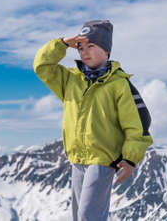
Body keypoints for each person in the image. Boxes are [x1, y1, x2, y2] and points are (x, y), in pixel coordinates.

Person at [33, 20, 153, 221]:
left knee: (89, 216)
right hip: (77, 159)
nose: (84, 52)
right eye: (80, 48)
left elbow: (138, 123)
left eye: (91, 46)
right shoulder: (71, 80)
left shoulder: (119, 84)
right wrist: (62, 44)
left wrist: (131, 158)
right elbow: (41, 66)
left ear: (106, 51)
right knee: (79, 216)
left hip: (103, 159)